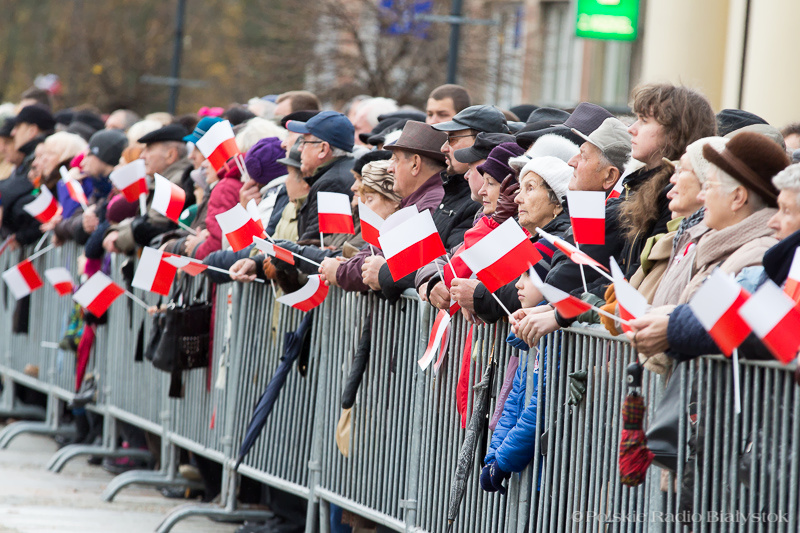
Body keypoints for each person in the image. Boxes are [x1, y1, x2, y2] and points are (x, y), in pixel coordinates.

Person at [628, 132, 790, 361]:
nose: (702, 197)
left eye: (710, 186)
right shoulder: (723, 246)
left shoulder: (758, 252)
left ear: (737, 198)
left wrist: (671, 325)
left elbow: (734, 322)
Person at [319, 121, 447, 297]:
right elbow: (376, 250)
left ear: (415, 164)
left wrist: (341, 271)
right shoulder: (418, 201)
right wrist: (347, 266)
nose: (390, 168)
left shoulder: (428, 203)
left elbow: (396, 260)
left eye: (395, 159)